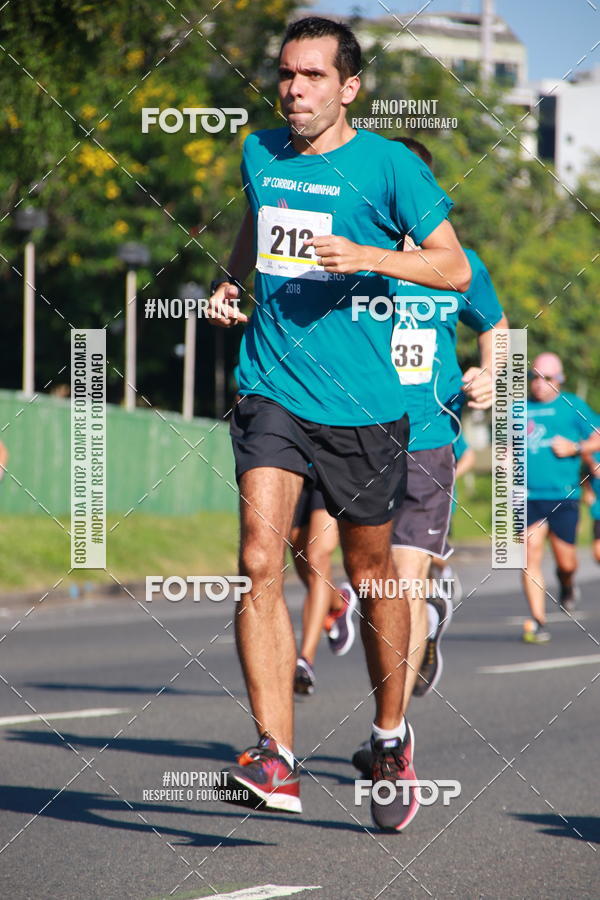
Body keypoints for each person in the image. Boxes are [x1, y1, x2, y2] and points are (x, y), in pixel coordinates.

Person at [206, 15, 470, 831]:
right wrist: (229, 279)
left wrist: (371, 256)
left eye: (314, 76)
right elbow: (258, 218)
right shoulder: (261, 152)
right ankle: (275, 755)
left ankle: (391, 737)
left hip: (365, 405)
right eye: (287, 74)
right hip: (271, 387)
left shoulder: (391, 167)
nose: (295, 89)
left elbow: (453, 265)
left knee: (374, 576)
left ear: (349, 87)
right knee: (259, 558)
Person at [349, 137, 506, 778]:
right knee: (371, 590)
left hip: (427, 441)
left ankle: (394, 736)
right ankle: (421, 640)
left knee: (401, 585)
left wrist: (491, 373)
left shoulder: (458, 263)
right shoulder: (360, 257)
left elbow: (494, 323)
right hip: (356, 439)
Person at [522, 352, 600, 643]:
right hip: (527, 496)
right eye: (535, 378)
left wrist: (577, 448)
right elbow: (506, 443)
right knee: (529, 555)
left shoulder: (572, 406)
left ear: (560, 380)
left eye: (547, 378)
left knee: (567, 563)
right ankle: (538, 621)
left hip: (563, 496)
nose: (539, 384)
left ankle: (567, 584)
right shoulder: (519, 408)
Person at [290, 483, 357, 696]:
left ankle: (305, 661)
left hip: (329, 465)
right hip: (296, 464)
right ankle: (339, 603)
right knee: (302, 561)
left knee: (317, 556)